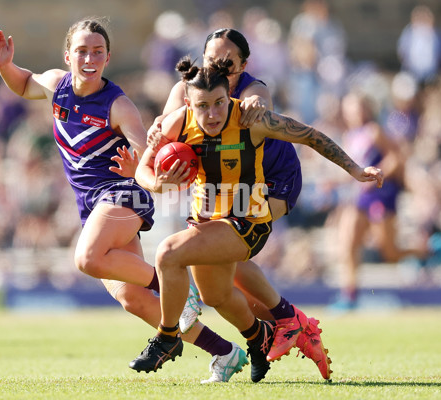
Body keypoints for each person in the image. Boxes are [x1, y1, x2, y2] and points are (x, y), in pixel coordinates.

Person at [0, 18, 249, 384]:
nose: (89, 58)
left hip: (122, 194)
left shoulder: (118, 104)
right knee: (134, 300)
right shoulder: (55, 85)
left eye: (97, 51)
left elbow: (148, 152)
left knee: (87, 258)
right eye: (81, 51)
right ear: (68, 56)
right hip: (93, 206)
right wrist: (4, 66)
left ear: (107, 57)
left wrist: (139, 162)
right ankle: (224, 351)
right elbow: (25, 84)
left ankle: (174, 286)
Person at [129, 57, 383, 377]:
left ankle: (166, 338)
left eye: (220, 103)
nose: (212, 114)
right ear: (187, 103)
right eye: (203, 106)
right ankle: (259, 337)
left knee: (167, 253)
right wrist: (159, 183)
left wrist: (356, 170)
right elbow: (143, 171)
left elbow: (310, 136)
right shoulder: (175, 124)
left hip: (247, 223)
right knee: (216, 296)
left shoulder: (251, 120)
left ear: (229, 97)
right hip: (207, 221)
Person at [145, 28, 331, 382]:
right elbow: (168, 131)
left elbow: (265, 104)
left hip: (272, 179)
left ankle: (286, 317)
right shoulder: (189, 90)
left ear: (243, 65)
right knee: (219, 269)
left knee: (232, 243)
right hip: (226, 187)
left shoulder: (249, 89)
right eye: (211, 60)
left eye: (227, 63)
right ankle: (267, 330)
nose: (218, 67)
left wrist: (259, 104)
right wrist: (154, 147)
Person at [330, 91, 425, 311]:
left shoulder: (374, 131)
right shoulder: (350, 135)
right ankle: (349, 296)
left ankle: (426, 250)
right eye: (349, 108)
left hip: (379, 195)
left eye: (356, 107)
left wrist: (376, 176)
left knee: (389, 252)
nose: (352, 112)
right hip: (358, 197)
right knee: (348, 243)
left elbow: (395, 158)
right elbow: (353, 168)